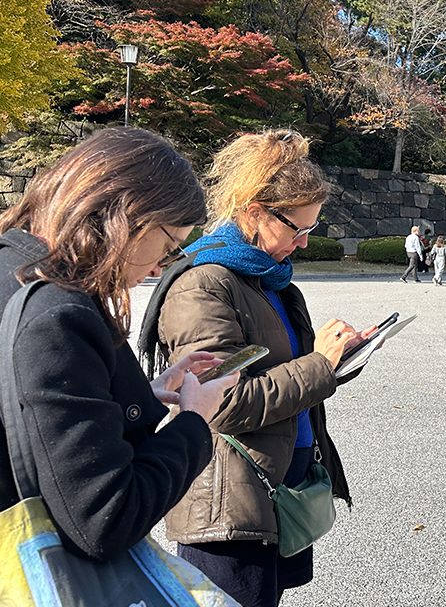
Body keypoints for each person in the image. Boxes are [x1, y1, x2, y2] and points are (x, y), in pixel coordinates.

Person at [146, 129, 361, 607]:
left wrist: (340, 356)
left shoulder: (272, 281)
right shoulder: (202, 282)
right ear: (254, 212)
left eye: (311, 229)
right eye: (296, 228)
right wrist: (319, 363)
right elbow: (225, 403)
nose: (303, 243)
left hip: (279, 488)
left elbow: (295, 374)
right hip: (228, 502)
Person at [0, 128, 236, 563]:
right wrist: (196, 420)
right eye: (168, 246)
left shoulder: (12, 265)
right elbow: (106, 520)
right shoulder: (57, 312)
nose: (157, 268)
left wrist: (136, 394)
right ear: (127, 216)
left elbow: (39, 419)